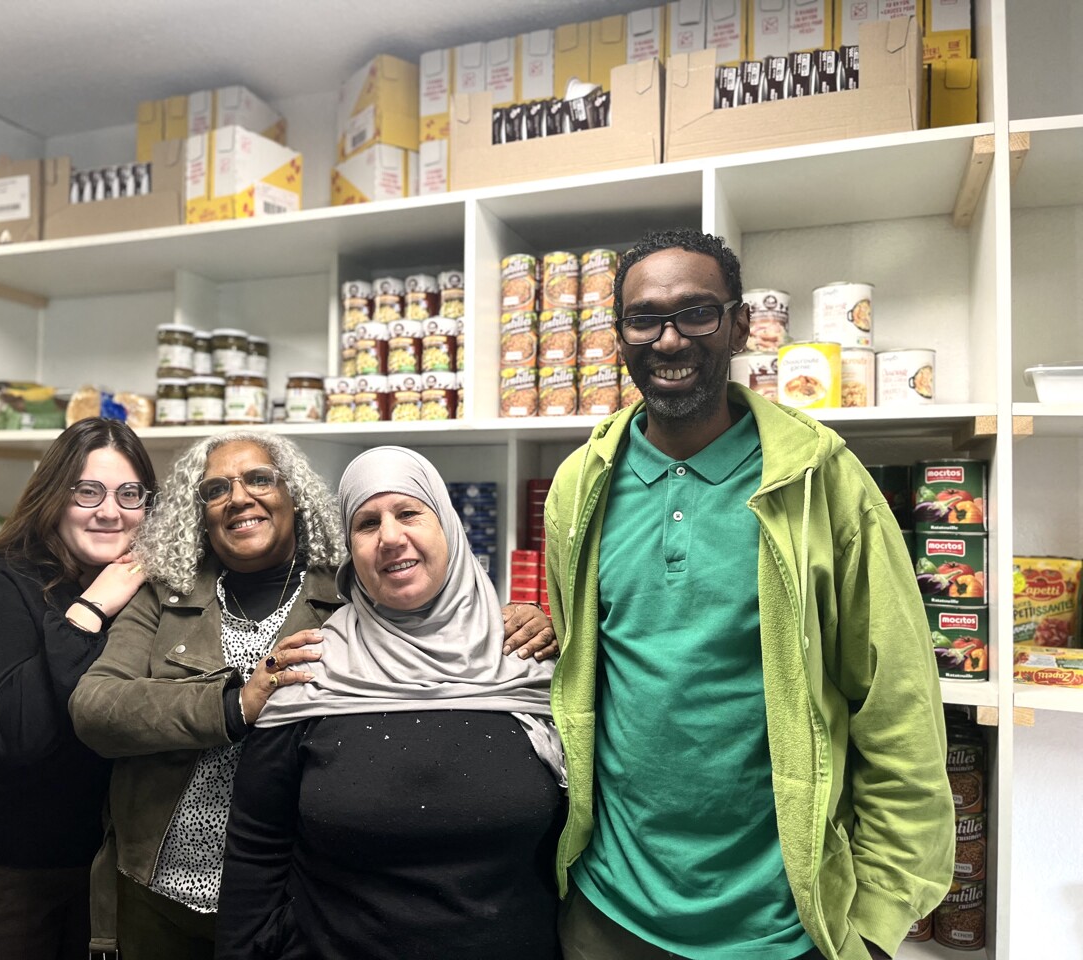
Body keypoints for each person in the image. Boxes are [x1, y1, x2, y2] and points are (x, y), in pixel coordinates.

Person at [544, 228, 955, 960]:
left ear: (740, 325)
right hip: (606, 913)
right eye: (645, 319)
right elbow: (577, 667)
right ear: (620, 337)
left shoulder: (821, 481)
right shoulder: (582, 483)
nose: (669, 339)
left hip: (779, 927)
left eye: (697, 312)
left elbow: (897, 705)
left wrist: (879, 917)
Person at [70, 432, 556, 958]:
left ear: (294, 493)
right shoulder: (165, 594)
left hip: (294, 896)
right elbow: (96, 708)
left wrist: (527, 619)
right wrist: (233, 703)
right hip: (161, 885)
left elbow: (432, 618)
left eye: (259, 479)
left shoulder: (352, 593)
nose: (239, 499)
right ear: (197, 511)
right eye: (215, 489)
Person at [214, 445, 565, 960]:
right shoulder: (308, 668)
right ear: (350, 552)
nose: (391, 537)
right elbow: (256, 849)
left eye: (408, 513)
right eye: (367, 523)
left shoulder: (531, 658)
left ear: (447, 525)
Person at [0, 417, 157, 960]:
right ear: (53, 495)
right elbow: (19, 732)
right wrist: (90, 609)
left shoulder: (142, 585)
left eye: (129, 494)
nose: (110, 511)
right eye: (87, 491)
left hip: (94, 857)